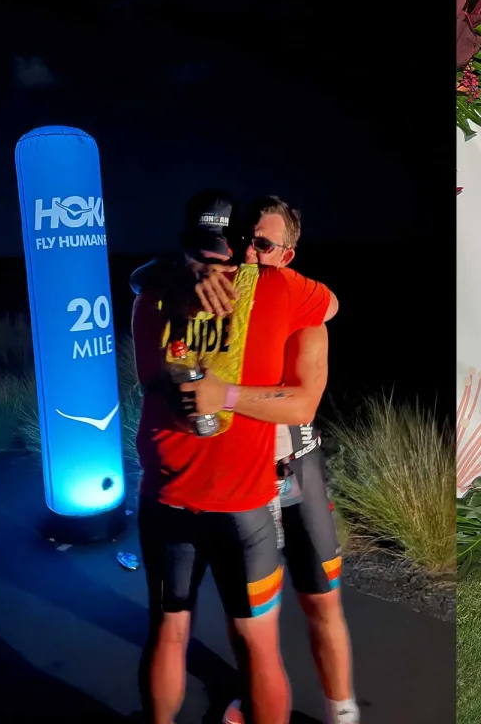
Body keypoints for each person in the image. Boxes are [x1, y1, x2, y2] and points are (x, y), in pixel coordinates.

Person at [132, 196, 358, 724]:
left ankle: (343, 712)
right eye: (244, 243)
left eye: (264, 245)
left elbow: (305, 398)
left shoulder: (291, 303)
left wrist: (224, 396)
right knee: (247, 635)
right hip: (234, 491)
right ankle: (247, 702)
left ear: (289, 252)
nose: (250, 256)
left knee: (319, 602)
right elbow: (146, 279)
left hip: (289, 475)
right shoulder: (189, 286)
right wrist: (186, 273)